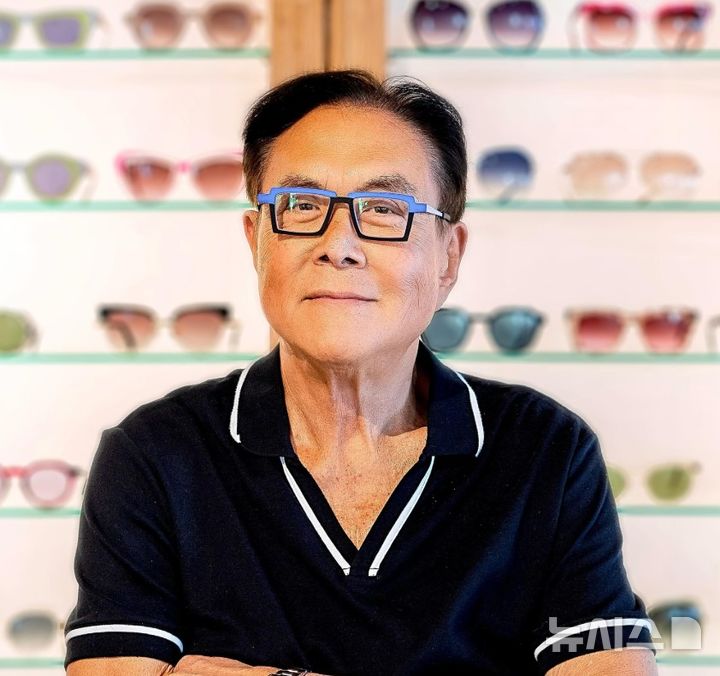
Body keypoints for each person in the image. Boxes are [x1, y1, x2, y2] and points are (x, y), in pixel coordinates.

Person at [65, 70, 657, 675]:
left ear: (448, 256)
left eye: (384, 209)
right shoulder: (156, 454)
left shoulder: (545, 450)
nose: (338, 245)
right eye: (302, 206)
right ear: (255, 240)